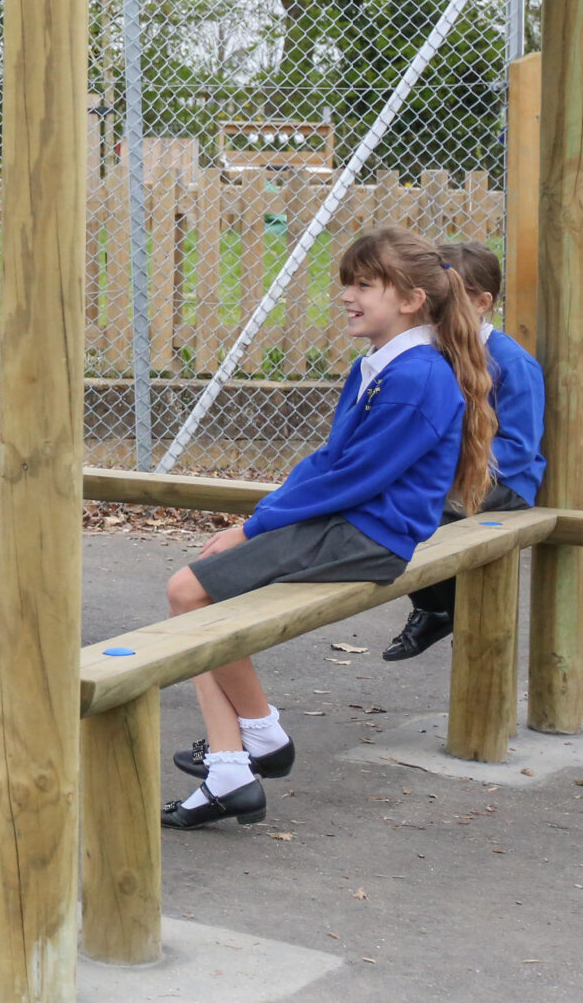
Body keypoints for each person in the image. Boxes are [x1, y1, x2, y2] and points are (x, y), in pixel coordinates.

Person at [161, 225, 495, 830]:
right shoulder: (379, 364)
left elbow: (355, 479)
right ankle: (233, 767)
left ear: (412, 299)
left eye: (365, 284)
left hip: (367, 536)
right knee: (194, 599)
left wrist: (254, 528)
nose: (347, 295)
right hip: (349, 523)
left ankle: (259, 737)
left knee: (188, 591)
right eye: (348, 283)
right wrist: (260, 518)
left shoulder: (416, 378)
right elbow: (328, 460)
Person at [382, 240, 545, 661]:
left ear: (482, 302)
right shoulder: (430, 354)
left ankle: (454, 611)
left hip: (504, 482)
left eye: (449, 300)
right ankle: (435, 605)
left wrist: (450, 469)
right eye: (434, 300)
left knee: (427, 509)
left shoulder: (512, 362)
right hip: (448, 475)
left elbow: (520, 448)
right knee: (388, 503)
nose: (437, 311)